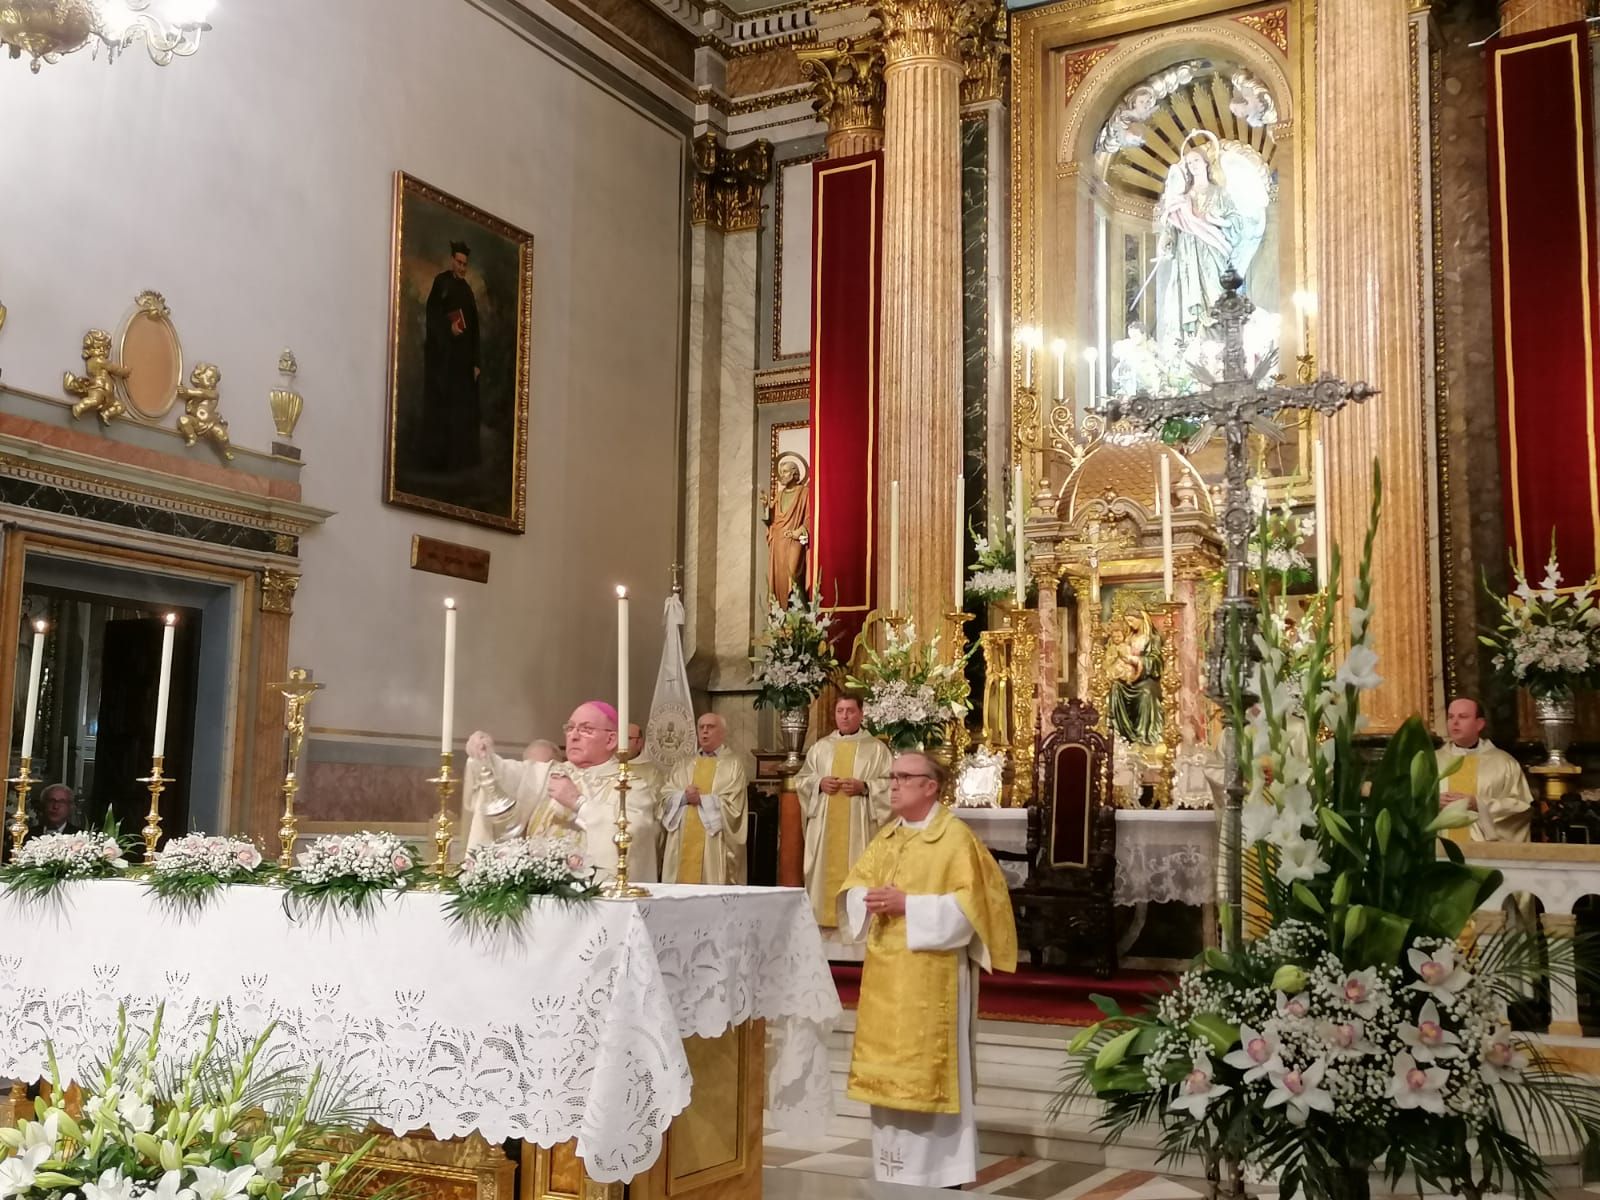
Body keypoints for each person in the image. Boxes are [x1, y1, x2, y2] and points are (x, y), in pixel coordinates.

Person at [839, 751, 1016, 1189]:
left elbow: (972, 911)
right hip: (885, 979)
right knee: (888, 1075)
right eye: (892, 777)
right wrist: (865, 898)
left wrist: (908, 906)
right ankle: (893, 1167)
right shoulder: (889, 836)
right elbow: (854, 885)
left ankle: (940, 1172)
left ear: (930, 786)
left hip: (931, 977)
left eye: (903, 777)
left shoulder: (954, 839)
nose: (893, 784)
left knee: (928, 1073)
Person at [795, 695, 892, 931]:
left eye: (850, 711)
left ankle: (859, 922)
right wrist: (818, 784)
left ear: (861, 714)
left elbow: (891, 784)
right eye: (840, 711)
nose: (845, 716)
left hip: (860, 828)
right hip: (826, 826)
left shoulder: (877, 750)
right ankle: (822, 920)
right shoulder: (820, 748)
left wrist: (866, 787)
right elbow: (802, 780)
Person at [661, 713, 749, 884]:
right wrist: (683, 797)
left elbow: (735, 806)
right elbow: (665, 796)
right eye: (701, 727)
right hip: (682, 841)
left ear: (723, 733)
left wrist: (702, 800)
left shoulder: (733, 764)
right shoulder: (683, 764)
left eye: (710, 727)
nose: (705, 731)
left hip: (714, 844)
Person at [1436, 696, 1534, 842]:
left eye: (1463, 717)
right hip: (1438, 849)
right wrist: (1432, 803)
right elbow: (1410, 803)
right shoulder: (1432, 761)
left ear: (1479, 724)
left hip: (1484, 852)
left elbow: (1520, 807)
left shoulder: (1504, 762)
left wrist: (1479, 804)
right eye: (1450, 717)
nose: (1455, 723)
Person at [421, 240, 481, 474]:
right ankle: (439, 461)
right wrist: (449, 330)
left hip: (463, 363)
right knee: (442, 409)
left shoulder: (467, 291)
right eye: (459, 263)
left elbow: (475, 328)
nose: (462, 268)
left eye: (465, 264)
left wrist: (476, 362)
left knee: (461, 411)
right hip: (443, 361)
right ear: (452, 261)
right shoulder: (441, 283)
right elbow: (432, 317)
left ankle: (459, 462)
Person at [763, 453, 810, 604]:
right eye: (780, 472)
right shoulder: (779, 494)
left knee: (794, 574)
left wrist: (800, 531)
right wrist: (765, 507)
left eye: (785, 472)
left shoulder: (804, 493)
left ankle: (799, 614)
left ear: (795, 473)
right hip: (778, 542)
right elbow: (770, 520)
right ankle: (780, 617)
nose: (781, 475)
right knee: (778, 578)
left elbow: (810, 517)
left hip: (794, 540)